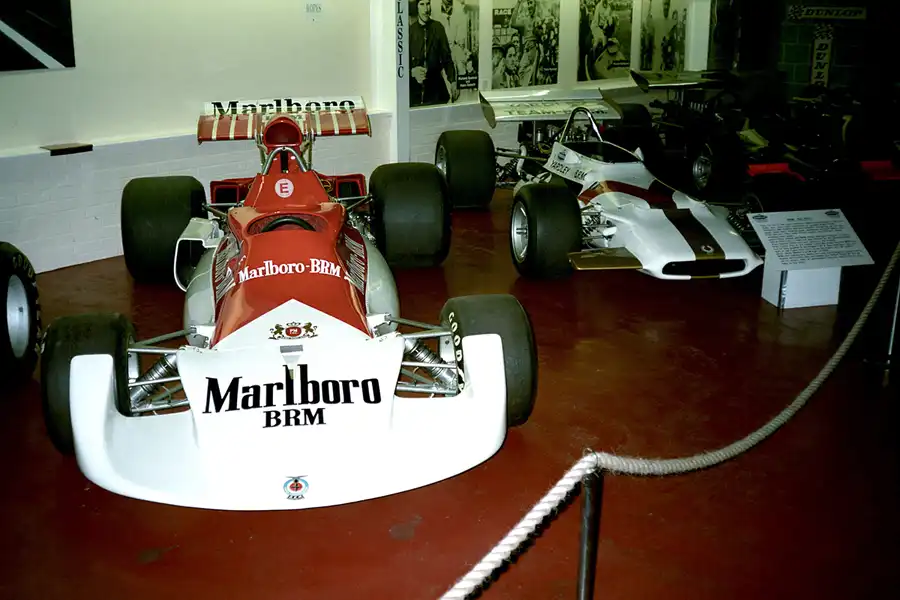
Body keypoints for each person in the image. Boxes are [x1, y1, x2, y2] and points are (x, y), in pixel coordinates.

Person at [409, 0, 459, 106]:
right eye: (422, 4)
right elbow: (401, 65)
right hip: (415, 95)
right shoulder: (410, 31)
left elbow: (447, 58)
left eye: (428, 4)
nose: (426, 9)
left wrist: (453, 81)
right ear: (417, 7)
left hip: (436, 92)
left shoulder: (438, 28)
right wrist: (412, 72)